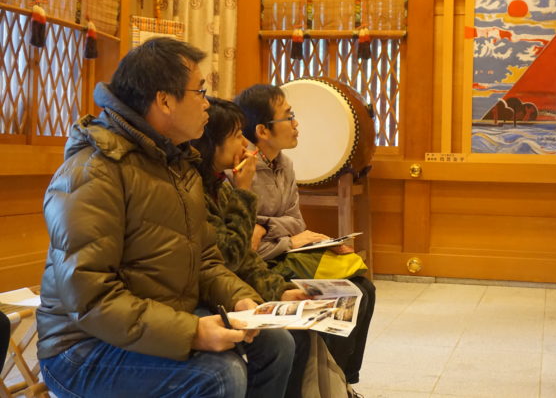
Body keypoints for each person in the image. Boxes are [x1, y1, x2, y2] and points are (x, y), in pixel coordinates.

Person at [36, 38, 295, 398]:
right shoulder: (93, 172)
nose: (207, 103)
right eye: (200, 91)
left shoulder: (177, 165)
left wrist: (241, 299)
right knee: (220, 375)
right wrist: (193, 332)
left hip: (150, 322)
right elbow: (91, 300)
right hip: (80, 348)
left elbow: (205, 259)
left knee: (276, 343)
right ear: (164, 100)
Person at [192, 96, 347, 398]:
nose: (245, 145)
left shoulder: (226, 183)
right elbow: (231, 257)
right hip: (209, 292)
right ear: (212, 143)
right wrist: (244, 192)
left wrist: (280, 291)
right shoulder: (212, 187)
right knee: (284, 341)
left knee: (346, 296)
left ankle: (344, 383)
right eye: (237, 136)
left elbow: (290, 225)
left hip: (240, 278)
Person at [234, 84, 375, 389]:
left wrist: (269, 227)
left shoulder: (284, 164)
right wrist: (285, 239)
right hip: (265, 267)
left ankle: (342, 381)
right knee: (344, 293)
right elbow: (247, 246)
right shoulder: (241, 169)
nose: (297, 123)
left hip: (284, 254)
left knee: (363, 287)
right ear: (263, 130)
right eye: (289, 116)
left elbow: (296, 223)